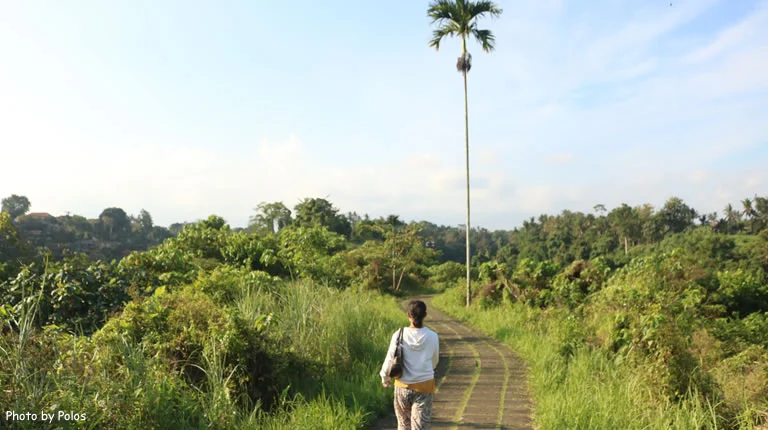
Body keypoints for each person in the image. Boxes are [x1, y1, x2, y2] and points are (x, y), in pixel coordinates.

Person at [380, 300, 440, 430]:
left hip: (402, 387)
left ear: (408, 315)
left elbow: (390, 358)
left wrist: (384, 378)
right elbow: (435, 361)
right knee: (420, 427)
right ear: (425, 315)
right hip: (425, 386)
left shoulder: (399, 334)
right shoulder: (432, 336)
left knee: (403, 425)